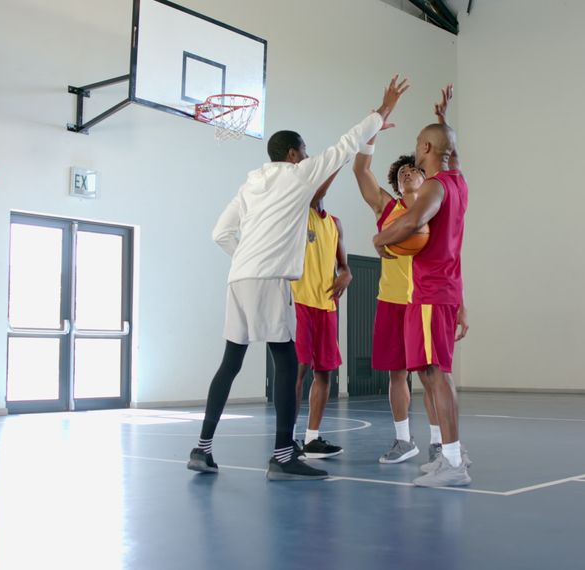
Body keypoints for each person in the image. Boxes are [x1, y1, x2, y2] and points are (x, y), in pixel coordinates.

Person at [188, 76, 409, 481]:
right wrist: (382, 111)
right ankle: (283, 456)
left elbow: (220, 233)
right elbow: (345, 146)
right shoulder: (298, 175)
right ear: (293, 154)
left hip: (238, 279)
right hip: (271, 278)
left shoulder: (249, 185)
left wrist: (246, 260)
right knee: (287, 362)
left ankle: (202, 449)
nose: (308, 156)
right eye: (304, 151)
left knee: (230, 363)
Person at [373, 85, 470, 487]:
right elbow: (454, 152)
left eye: (418, 142)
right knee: (432, 376)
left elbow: (413, 222)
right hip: (440, 291)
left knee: (436, 375)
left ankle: (453, 461)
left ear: (426, 146)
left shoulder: (434, 187)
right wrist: (445, 122)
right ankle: (449, 454)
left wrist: (379, 239)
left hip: (430, 292)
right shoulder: (458, 180)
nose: (415, 148)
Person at [352, 139, 446, 465]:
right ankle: (404, 441)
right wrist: (372, 130)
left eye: (414, 171)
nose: (408, 174)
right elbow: (360, 169)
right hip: (391, 301)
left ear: (425, 179)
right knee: (397, 374)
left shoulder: (434, 212)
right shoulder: (386, 208)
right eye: (403, 172)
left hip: (423, 301)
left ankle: (437, 442)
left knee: (429, 373)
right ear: (397, 181)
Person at [291, 170, 349, 459]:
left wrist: (346, 275)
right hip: (299, 302)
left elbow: (344, 266)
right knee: (296, 372)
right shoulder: (298, 214)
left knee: (324, 373)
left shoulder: (335, 224)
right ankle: (286, 439)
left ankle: (312, 439)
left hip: (327, 306)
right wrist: (340, 158)